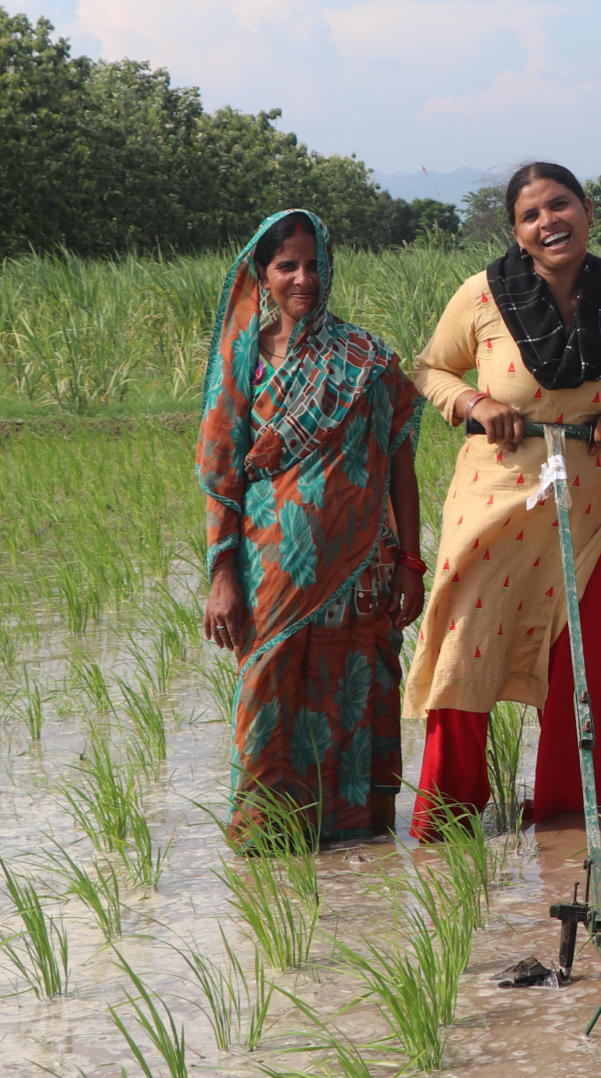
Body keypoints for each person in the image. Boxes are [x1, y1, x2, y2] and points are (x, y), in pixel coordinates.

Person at [404, 162, 601, 839]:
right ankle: (447, 823)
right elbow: (428, 369)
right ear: (517, 233)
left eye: (560, 205)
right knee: (461, 668)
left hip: (586, 522)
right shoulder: (481, 297)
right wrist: (474, 401)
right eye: (532, 215)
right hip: (490, 517)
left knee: (579, 684)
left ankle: (567, 822)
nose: (548, 222)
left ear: (588, 211)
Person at [199, 209, 426, 849]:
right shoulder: (241, 363)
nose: (303, 278)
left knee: (355, 692)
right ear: (262, 275)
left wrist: (410, 563)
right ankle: (269, 844)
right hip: (271, 569)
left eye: (313, 264)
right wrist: (221, 576)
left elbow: (399, 463)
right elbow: (221, 476)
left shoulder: (368, 360)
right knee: (270, 691)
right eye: (286, 266)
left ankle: (355, 850)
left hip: (362, 570)